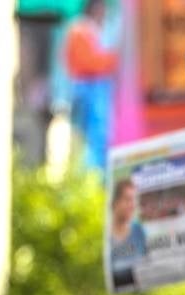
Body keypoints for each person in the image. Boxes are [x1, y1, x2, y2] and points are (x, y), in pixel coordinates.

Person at [64, 0, 117, 171]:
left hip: (97, 86)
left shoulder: (98, 29)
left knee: (99, 135)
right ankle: (89, 173)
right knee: (90, 135)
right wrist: (113, 60)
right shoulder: (81, 29)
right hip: (88, 87)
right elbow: (86, 62)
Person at [109, 178, 147, 289]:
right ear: (115, 202)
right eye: (127, 199)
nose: (132, 205)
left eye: (134, 200)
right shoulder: (106, 239)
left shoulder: (138, 231)